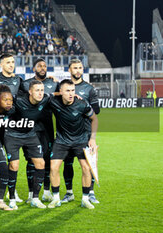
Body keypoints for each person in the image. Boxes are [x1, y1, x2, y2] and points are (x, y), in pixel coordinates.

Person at [48, 79, 98, 209]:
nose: (71, 94)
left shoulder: (82, 104)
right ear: (61, 92)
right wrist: (57, 94)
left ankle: (85, 199)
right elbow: (43, 95)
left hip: (80, 140)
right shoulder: (54, 102)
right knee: (53, 168)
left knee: (86, 168)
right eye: (67, 91)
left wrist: (92, 138)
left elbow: (94, 119)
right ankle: (56, 199)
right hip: (61, 141)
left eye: (72, 91)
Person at [5, 80, 55, 210]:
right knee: (14, 165)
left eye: (42, 90)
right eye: (37, 90)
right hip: (13, 135)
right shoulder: (18, 99)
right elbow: (4, 98)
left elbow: (55, 94)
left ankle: (35, 198)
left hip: (30, 134)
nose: (40, 93)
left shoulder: (45, 99)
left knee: (41, 164)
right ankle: (11, 198)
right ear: (30, 92)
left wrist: (71, 95)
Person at [0, 53, 24, 204]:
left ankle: (11, 192)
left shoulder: (18, 80)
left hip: (12, 125)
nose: (11, 65)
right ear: (1, 64)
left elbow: (30, 89)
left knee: (12, 159)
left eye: (12, 62)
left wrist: (51, 79)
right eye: (8, 62)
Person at [61, 59, 100, 204]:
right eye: (75, 68)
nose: (78, 70)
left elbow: (96, 111)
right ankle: (69, 192)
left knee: (88, 163)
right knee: (68, 163)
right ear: (69, 70)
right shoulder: (63, 87)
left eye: (80, 68)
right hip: (67, 132)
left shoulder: (89, 89)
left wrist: (80, 104)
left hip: (86, 131)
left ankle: (90, 193)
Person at [21, 58, 59, 203]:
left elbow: (61, 94)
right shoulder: (26, 84)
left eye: (44, 66)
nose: (43, 68)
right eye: (39, 66)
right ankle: (31, 193)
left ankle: (47, 192)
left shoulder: (53, 83)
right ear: (33, 69)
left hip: (48, 128)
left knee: (48, 159)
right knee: (32, 161)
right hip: (31, 128)